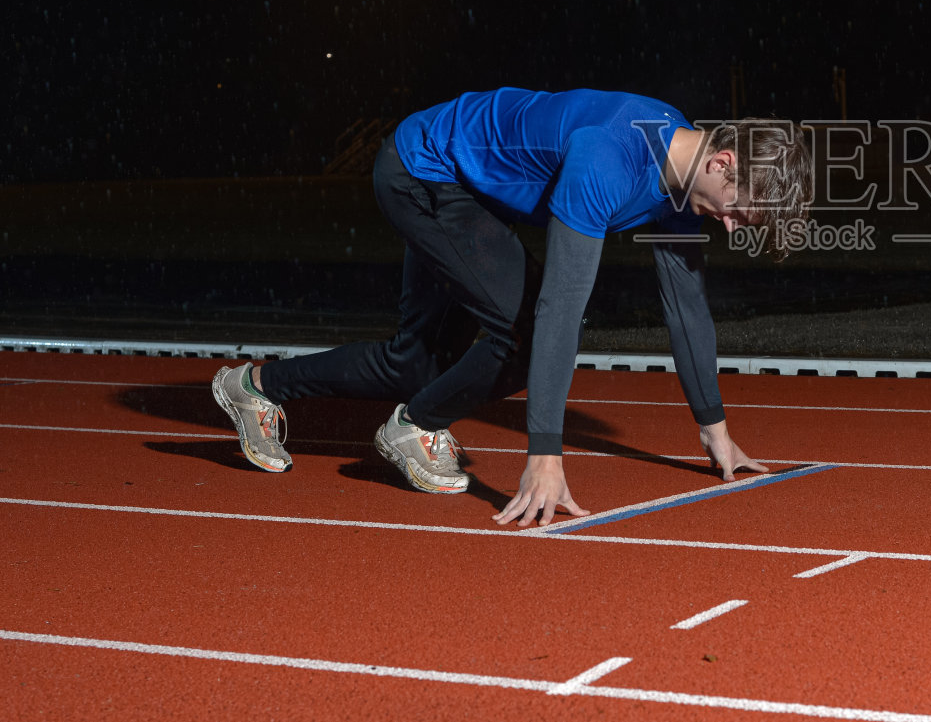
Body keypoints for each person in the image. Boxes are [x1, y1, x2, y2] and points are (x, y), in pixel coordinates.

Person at [211, 86, 811, 527]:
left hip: (471, 191)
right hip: (425, 172)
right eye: (738, 212)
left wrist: (715, 430)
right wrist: (545, 454)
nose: (731, 227)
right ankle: (413, 428)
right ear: (723, 162)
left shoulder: (683, 176)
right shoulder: (608, 159)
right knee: (525, 334)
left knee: (416, 366)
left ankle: (255, 386)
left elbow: (686, 307)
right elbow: (559, 309)